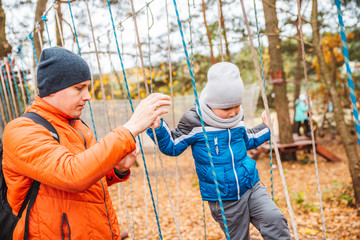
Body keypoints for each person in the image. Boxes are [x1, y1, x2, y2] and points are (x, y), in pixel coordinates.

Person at [2, 46, 171, 239]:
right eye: (79, 88)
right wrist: (131, 127)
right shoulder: (22, 130)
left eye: (88, 87)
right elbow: (72, 175)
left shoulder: (77, 126)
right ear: (52, 89)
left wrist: (117, 170)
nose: (88, 96)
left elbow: (91, 177)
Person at [147, 62, 291, 239]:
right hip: (224, 199)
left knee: (275, 219)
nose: (233, 113)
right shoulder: (194, 121)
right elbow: (173, 146)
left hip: (251, 186)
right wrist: (158, 128)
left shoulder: (237, 118)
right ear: (211, 102)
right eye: (226, 108)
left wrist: (266, 128)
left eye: (236, 106)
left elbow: (247, 139)